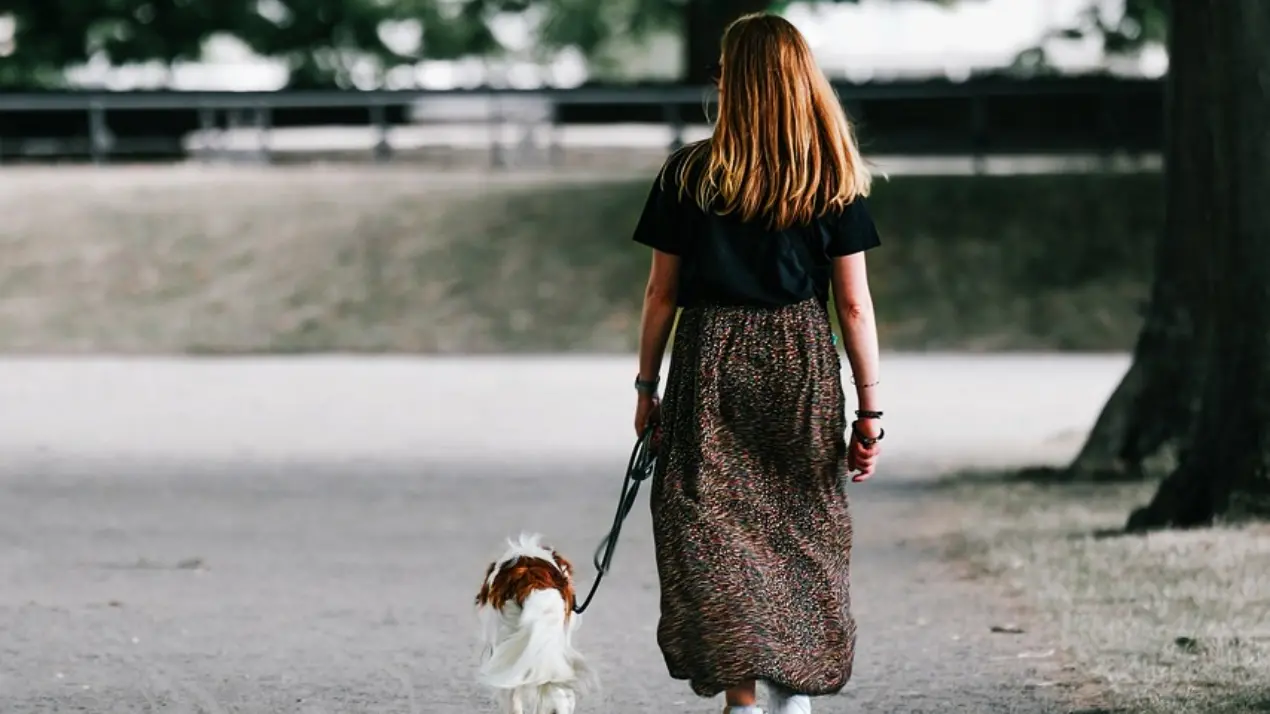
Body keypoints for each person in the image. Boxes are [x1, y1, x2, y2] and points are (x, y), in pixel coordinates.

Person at [628, 12, 884, 714]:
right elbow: (854, 306)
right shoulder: (831, 174)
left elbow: (661, 294)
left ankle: (743, 698)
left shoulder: (689, 173)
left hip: (710, 357)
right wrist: (869, 410)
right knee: (803, 520)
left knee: (707, 524)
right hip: (800, 358)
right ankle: (792, 692)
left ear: (732, 81)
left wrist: (647, 386)